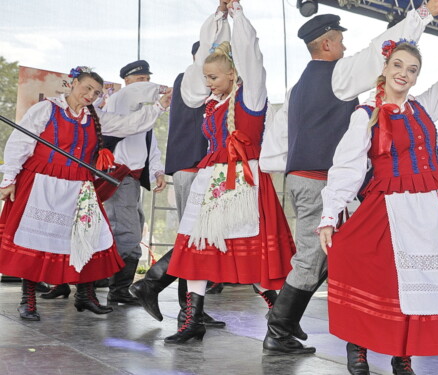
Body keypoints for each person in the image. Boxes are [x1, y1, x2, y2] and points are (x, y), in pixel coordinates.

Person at [258, 0, 438, 357]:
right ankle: (280, 327)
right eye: (341, 42)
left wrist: (283, 165)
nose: (346, 48)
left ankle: (293, 320)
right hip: (321, 179)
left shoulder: (298, 88)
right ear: (328, 44)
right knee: (314, 256)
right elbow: (378, 53)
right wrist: (423, 14)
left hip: (304, 176)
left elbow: (276, 141)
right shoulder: (336, 75)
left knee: (334, 252)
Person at [318, 5, 438, 374]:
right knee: (377, 272)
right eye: (398, 66)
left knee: (417, 281)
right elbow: (347, 167)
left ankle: (402, 354)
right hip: (388, 205)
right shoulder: (366, 114)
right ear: (385, 68)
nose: (404, 74)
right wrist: (330, 215)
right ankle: (357, 345)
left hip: (429, 207)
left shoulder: (424, 108)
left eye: (412, 70)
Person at [163, 0, 296, 344]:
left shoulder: (250, 96)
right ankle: (193, 321)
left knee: (251, 252)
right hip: (213, 180)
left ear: (233, 74)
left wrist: (237, 15)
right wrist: (218, 21)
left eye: (213, 77)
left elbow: (251, 56)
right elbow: (197, 71)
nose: (207, 83)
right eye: (206, 77)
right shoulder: (212, 103)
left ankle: (279, 322)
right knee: (197, 248)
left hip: (244, 180)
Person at [0, 67, 170, 321]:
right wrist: (9, 178)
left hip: (79, 185)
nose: (90, 95)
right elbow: (20, 143)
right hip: (42, 183)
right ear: (72, 84)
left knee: (89, 236)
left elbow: (129, 124)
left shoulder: (96, 117)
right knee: (37, 239)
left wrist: (159, 106)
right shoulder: (46, 110)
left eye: (96, 92)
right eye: (87, 88)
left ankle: (84, 295)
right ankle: (28, 300)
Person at [128, 42, 233, 329]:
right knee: (195, 238)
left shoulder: (190, 80)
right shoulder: (198, 81)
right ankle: (152, 286)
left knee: (198, 238)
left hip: (196, 168)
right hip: (197, 167)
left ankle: (189, 310)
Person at [90, 59, 168, 306]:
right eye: (140, 78)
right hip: (118, 176)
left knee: (132, 228)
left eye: (147, 78)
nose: (144, 82)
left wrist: (156, 172)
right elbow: (136, 92)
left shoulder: (143, 114)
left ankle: (116, 286)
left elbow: (149, 146)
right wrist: (165, 90)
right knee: (127, 232)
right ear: (127, 81)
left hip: (132, 179)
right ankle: (117, 289)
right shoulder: (120, 99)